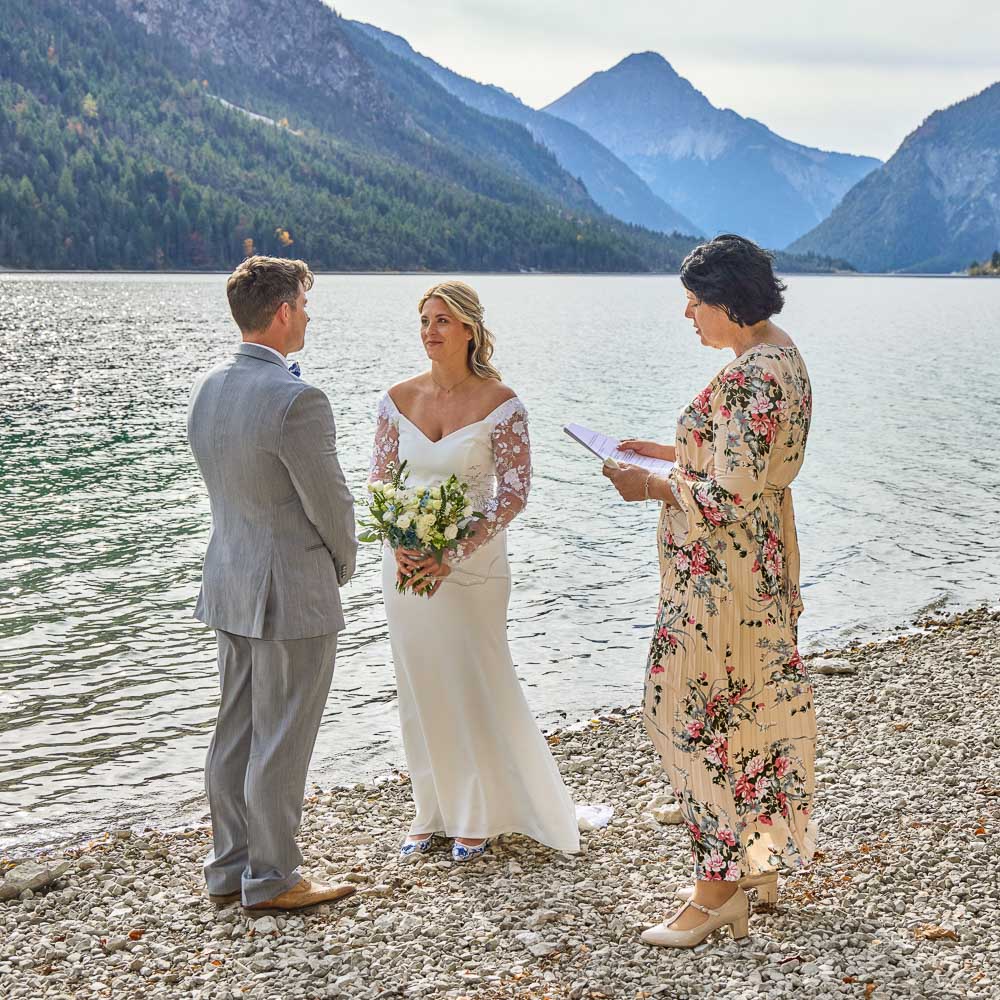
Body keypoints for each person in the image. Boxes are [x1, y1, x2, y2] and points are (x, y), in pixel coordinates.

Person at [603, 235, 816, 948]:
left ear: (726, 302)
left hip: (720, 580)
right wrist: (663, 451)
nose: (687, 314)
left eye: (694, 303)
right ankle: (753, 864)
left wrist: (648, 485)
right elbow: (744, 464)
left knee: (682, 715)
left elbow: (725, 495)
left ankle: (716, 890)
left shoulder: (754, 376)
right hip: (752, 573)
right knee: (742, 711)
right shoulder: (778, 357)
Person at [370, 280, 579, 863]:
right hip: (406, 567)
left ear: (469, 330)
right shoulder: (397, 399)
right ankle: (431, 810)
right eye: (424, 321)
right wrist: (403, 542)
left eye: (442, 321)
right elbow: (380, 485)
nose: (430, 332)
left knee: (471, 677)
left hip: (472, 568)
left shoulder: (500, 403)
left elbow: (513, 494)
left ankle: (479, 814)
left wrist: (450, 552)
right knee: (419, 684)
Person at [188, 255, 358, 912]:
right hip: (291, 591)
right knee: (282, 738)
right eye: (305, 305)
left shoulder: (209, 387)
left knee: (233, 733)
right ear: (283, 310)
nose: (308, 316)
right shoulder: (296, 398)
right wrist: (339, 568)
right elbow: (332, 504)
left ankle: (229, 869)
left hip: (229, 581)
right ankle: (274, 877)